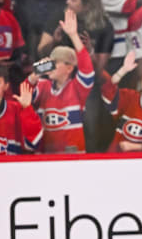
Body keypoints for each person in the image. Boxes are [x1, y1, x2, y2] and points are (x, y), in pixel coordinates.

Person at [25, 9, 94, 153]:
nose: (51, 66)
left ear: (69, 68)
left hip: (73, 157)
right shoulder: (43, 85)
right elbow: (24, 95)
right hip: (46, 156)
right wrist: (35, 74)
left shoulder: (77, 88)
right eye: (50, 62)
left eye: (55, 63)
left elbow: (87, 69)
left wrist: (74, 36)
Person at [0, 64, 43, 155]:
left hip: (12, 166)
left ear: (6, 86)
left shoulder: (17, 108)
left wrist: (27, 108)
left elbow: (33, 143)